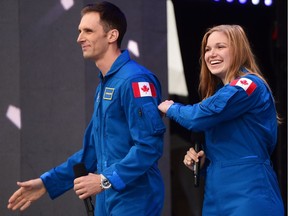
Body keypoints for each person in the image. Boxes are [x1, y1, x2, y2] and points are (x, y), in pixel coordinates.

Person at [7, 2, 166, 215]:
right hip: (107, 198)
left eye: (88, 31)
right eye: (80, 31)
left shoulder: (134, 80)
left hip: (135, 199)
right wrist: (47, 183)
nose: (79, 38)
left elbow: (149, 146)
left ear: (112, 36)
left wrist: (105, 180)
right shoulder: (105, 85)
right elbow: (91, 154)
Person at [158, 24, 284, 215]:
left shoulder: (250, 85)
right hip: (216, 194)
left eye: (220, 47)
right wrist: (202, 163)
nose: (211, 54)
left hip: (250, 195)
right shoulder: (220, 95)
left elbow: (197, 117)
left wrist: (171, 108)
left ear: (238, 50)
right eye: (207, 49)